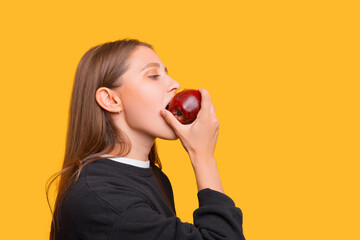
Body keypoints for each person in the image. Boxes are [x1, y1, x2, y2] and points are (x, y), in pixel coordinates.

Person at [45, 38, 246, 240]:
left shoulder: (155, 178)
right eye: (153, 76)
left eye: (166, 73)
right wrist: (203, 158)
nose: (175, 84)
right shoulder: (102, 199)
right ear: (111, 100)